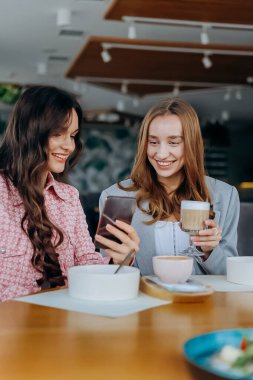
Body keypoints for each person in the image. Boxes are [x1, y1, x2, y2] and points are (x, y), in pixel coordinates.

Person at [0, 86, 139, 301]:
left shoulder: (69, 197)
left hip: (63, 320)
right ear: (31, 131)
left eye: (73, 136)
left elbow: (86, 262)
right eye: (58, 134)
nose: (69, 146)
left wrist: (117, 260)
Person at [100, 97, 240, 276]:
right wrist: (120, 261)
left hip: (204, 302)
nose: (161, 153)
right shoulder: (115, 197)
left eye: (173, 142)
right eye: (153, 142)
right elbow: (106, 272)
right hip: (145, 301)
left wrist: (209, 251)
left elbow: (230, 273)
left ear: (191, 144)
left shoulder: (225, 195)